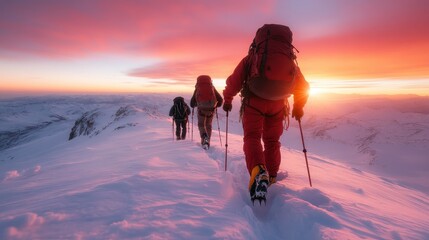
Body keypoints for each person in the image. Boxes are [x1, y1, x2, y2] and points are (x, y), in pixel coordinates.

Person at [222, 24, 310, 203]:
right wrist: (298, 106)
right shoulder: (290, 61)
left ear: (258, 40)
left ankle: (257, 171)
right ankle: (271, 177)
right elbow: (303, 86)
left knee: (252, 137)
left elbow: (234, 82)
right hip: (278, 105)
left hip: (254, 102)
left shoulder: (251, 58)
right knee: (272, 141)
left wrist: (228, 101)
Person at [190, 75, 223, 149]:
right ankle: (208, 141)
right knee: (208, 125)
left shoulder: (198, 88)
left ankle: (204, 138)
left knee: (201, 125)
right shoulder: (212, 87)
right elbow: (220, 100)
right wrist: (215, 105)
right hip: (211, 109)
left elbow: (192, 103)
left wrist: (196, 104)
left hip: (201, 109)